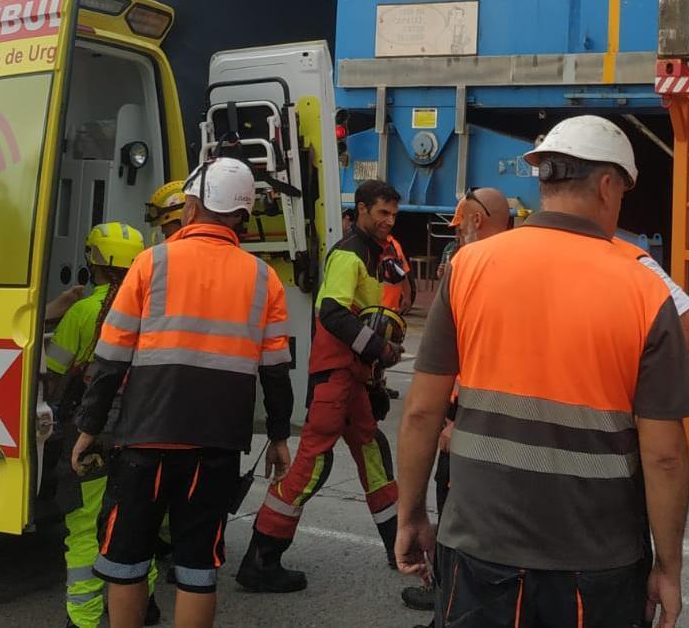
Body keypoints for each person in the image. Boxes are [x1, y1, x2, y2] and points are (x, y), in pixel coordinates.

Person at [396, 115, 689, 628]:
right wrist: (668, 567)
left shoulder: (469, 268)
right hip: (596, 560)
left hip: (479, 544)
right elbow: (666, 456)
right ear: (608, 186)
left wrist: (411, 515)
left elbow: (423, 412)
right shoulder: (646, 291)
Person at [71, 157, 296, 628]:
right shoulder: (264, 279)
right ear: (241, 214)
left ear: (192, 205)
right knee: (198, 565)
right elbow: (275, 371)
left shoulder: (150, 263)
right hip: (216, 446)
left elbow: (110, 358)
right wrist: (278, 436)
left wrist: (90, 427)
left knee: (126, 558)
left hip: (146, 438)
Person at [239, 179, 406, 592]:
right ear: (362, 210)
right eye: (382, 213)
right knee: (312, 465)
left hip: (351, 380)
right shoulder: (350, 254)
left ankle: (401, 547)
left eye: (393, 215)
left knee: (373, 454)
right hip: (337, 378)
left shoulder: (369, 253)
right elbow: (332, 313)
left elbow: (361, 311)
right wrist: (380, 349)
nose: (389, 221)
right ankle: (261, 560)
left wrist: (375, 368)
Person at [398, 187, 512, 621]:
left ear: (476, 222)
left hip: (464, 424)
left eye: (460, 225)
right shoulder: (512, 266)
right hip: (489, 426)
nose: (458, 234)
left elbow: (458, 361)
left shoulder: (472, 269)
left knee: (455, 528)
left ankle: (445, 606)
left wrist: (452, 421)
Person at [45, 222, 160, 628]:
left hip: (92, 432)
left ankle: (84, 618)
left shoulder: (81, 312)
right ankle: (142, 605)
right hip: (142, 429)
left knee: (83, 526)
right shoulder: (153, 307)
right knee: (134, 522)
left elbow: (55, 373)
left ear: (93, 262)